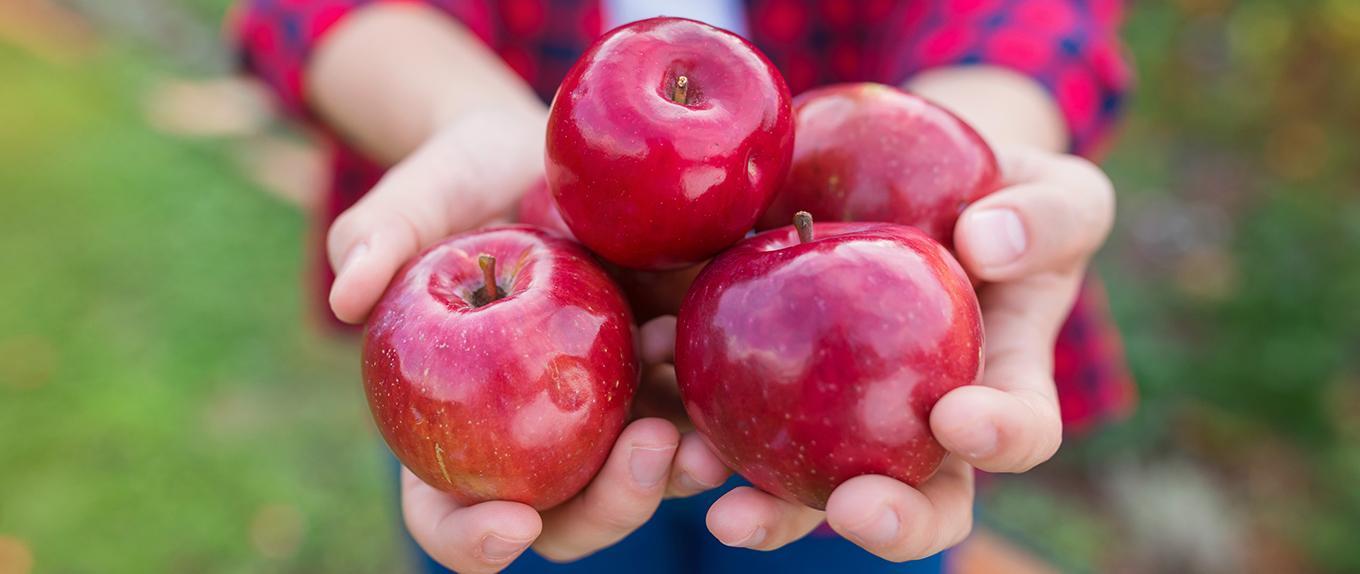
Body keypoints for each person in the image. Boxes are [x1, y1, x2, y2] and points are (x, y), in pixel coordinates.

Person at [231, 1, 1135, 572]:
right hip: (530, 384)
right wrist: (470, 121)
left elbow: (1025, 15)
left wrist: (965, 164)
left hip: (833, 423)